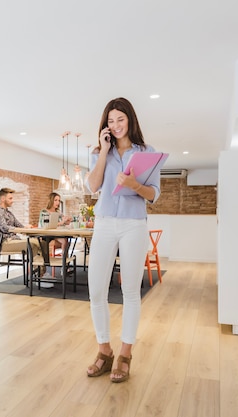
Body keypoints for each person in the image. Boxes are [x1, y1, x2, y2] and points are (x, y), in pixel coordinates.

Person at [84, 97, 161, 383]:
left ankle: (125, 354)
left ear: (130, 120)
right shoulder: (98, 152)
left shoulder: (146, 152)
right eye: (111, 120)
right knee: (96, 291)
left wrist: (133, 185)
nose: (116, 125)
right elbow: (93, 186)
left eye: (121, 119)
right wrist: (104, 151)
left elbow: (153, 194)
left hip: (133, 224)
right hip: (104, 223)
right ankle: (104, 351)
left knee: (130, 291)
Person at [0, 187, 45, 276]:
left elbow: (18, 224)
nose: (12, 201)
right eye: (10, 198)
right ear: (2, 199)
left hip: (14, 240)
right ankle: (40, 273)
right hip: (5, 243)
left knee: (39, 244)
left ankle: (39, 273)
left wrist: (26, 228)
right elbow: (5, 228)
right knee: (35, 242)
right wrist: (21, 230)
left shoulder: (9, 213)